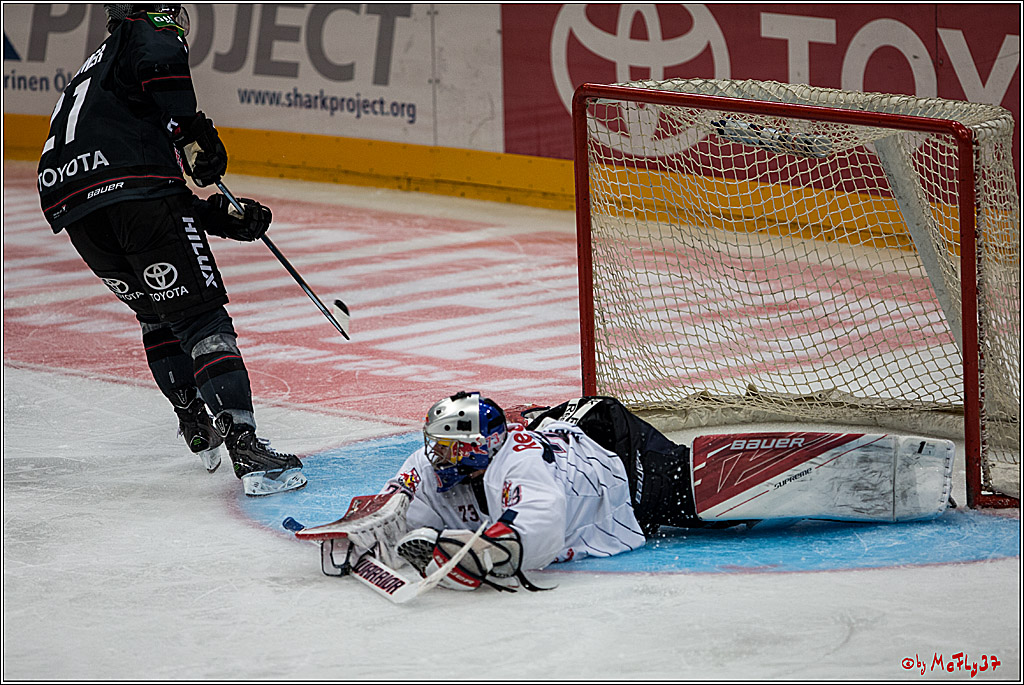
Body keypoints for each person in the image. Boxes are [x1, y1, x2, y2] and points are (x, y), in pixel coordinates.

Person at [35, 4, 305, 496]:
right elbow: (160, 64)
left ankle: (194, 421)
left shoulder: (95, 71)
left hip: (74, 207)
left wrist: (219, 217)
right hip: (132, 194)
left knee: (159, 314)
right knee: (202, 321)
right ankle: (246, 448)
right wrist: (195, 130)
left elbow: (137, 194)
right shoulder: (147, 31)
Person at [350, 391, 954, 593]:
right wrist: (383, 526)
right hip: (567, 423)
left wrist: (483, 553)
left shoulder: (518, 467)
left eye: (453, 445)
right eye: (437, 443)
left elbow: (540, 524)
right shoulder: (437, 461)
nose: (440, 455)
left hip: (622, 465)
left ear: (485, 444)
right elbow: (399, 499)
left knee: (702, 503)